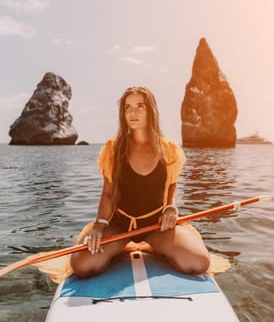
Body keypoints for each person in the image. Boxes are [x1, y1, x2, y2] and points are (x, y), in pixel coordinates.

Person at [70, 86, 210, 278]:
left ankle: (154, 247)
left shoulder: (168, 149)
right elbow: (108, 193)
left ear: (150, 110)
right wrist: (99, 225)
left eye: (139, 106)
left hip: (156, 227)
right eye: (127, 107)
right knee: (82, 266)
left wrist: (170, 208)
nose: (132, 112)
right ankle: (120, 246)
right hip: (120, 226)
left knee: (198, 262)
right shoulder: (113, 148)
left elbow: (171, 185)